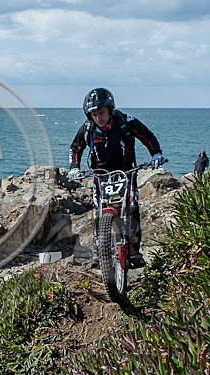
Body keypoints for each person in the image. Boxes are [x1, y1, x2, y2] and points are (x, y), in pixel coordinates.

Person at [68, 87, 167, 268]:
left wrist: (156, 154)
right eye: (94, 114)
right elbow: (75, 148)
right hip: (100, 175)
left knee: (132, 208)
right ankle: (100, 253)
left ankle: (135, 253)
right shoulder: (88, 128)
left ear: (110, 109)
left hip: (127, 172)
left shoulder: (125, 122)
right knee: (99, 211)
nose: (99, 118)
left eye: (102, 113)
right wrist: (74, 168)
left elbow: (147, 136)